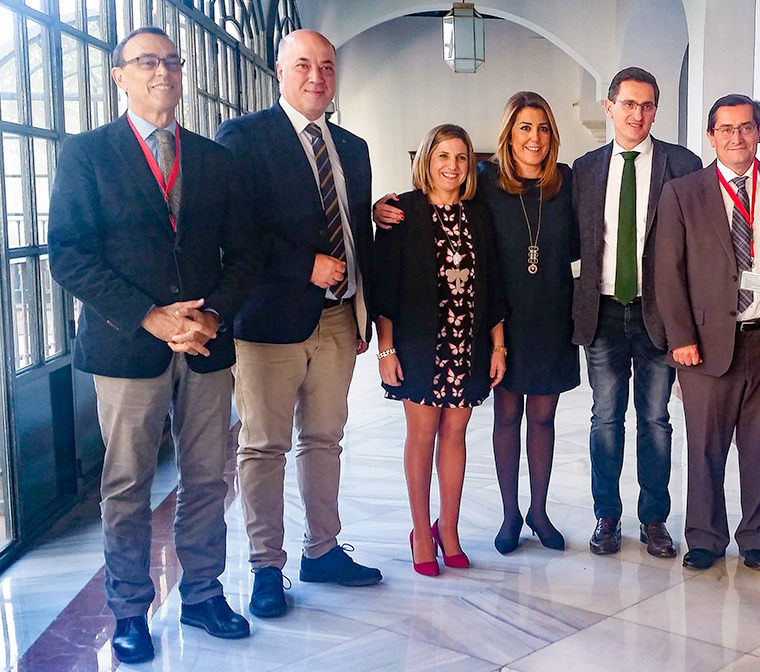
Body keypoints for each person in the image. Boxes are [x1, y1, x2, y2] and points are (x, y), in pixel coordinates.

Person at [48, 26, 259, 663]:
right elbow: (70, 256)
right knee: (128, 483)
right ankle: (130, 609)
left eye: (172, 61)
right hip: (125, 347)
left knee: (204, 477)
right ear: (120, 76)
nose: (162, 71)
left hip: (205, 345)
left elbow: (245, 252)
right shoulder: (85, 155)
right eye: (147, 62)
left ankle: (201, 593)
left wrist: (214, 315)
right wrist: (150, 317)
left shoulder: (215, 159)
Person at [215, 29, 381, 620]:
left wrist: (366, 312)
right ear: (280, 72)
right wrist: (302, 265)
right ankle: (265, 566)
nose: (317, 76)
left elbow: (354, 229)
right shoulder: (244, 137)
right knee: (263, 446)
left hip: (339, 318)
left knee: (325, 439)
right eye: (304, 65)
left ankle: (323, 550)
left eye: (328, 67)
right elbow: (236, 234)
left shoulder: (353, 147)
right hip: (267, 324)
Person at [377, 91, 578, 554]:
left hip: (537, 316)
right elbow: (393, 269)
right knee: (503, 416)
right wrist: (379, 209)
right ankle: (504, 518)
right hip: (470, 327)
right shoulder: (486, 182)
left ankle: (537, 513)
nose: (534, 137)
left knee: (540, 418)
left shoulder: (565, 182)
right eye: (524, 128)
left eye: (543, 127)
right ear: (508, 135)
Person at [655, 94, 760, 572]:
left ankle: (758, 539)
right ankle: (704, 538)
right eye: (726, 129)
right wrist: (680, 337)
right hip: (703, 341)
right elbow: (667, 270)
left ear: (759, 131)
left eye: (745, 127)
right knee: (704, 445)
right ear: (711, 135)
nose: (736, 137)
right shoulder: (683, 192)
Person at [570, 67, 702, 557]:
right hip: (602, 311)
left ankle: (654, 519)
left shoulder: (683, 165)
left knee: (655, 420)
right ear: (610, 107)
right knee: (605, 419)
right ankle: (606, 516)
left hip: (658, 314)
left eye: (647, 105)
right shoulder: (584, 169)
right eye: (629, 104)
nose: (638, 114)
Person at [370, 124, 509, 576]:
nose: (452, 166)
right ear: (426, 160)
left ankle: (448, 528)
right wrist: (386, 350)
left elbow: (494, 284)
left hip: (467, 343)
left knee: (456, 434)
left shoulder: (479, 215)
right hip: (417, 342)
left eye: (461, 158)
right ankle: (420, 532)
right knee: (422, 435)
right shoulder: (402, 213)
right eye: (443, 157)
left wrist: (498, 345)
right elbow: (385, 288)